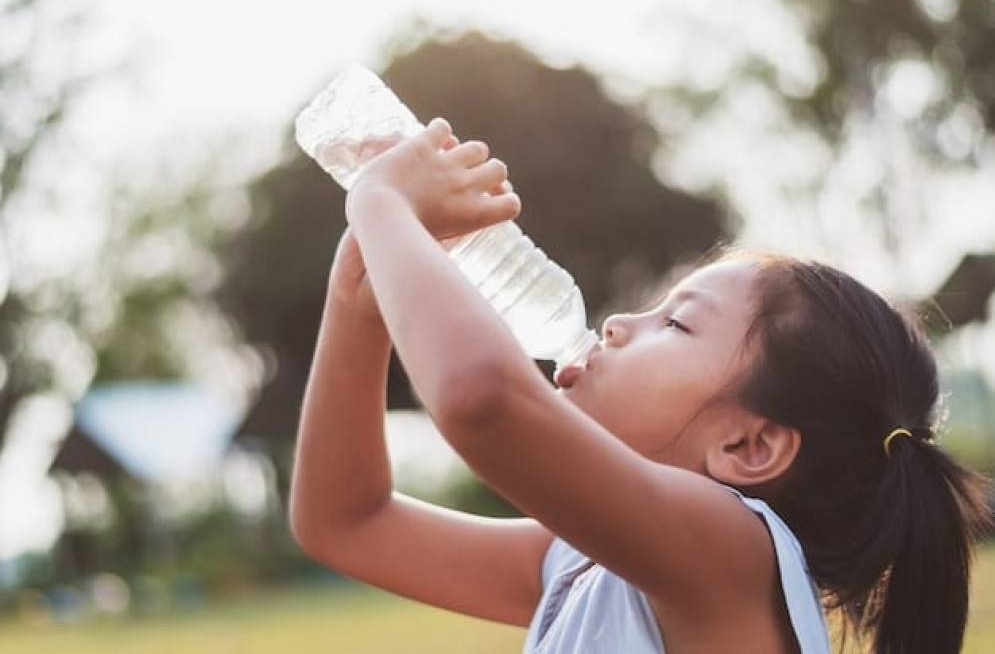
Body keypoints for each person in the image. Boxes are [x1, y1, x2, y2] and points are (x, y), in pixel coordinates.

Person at [288, 118, 991, 653]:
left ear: (749, 445)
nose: (621, 322)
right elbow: (344, 522)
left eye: (676, 324)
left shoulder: (733, 552)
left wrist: (383, 206)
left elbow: (483, 400)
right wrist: (357, 298)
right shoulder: (580, 561)